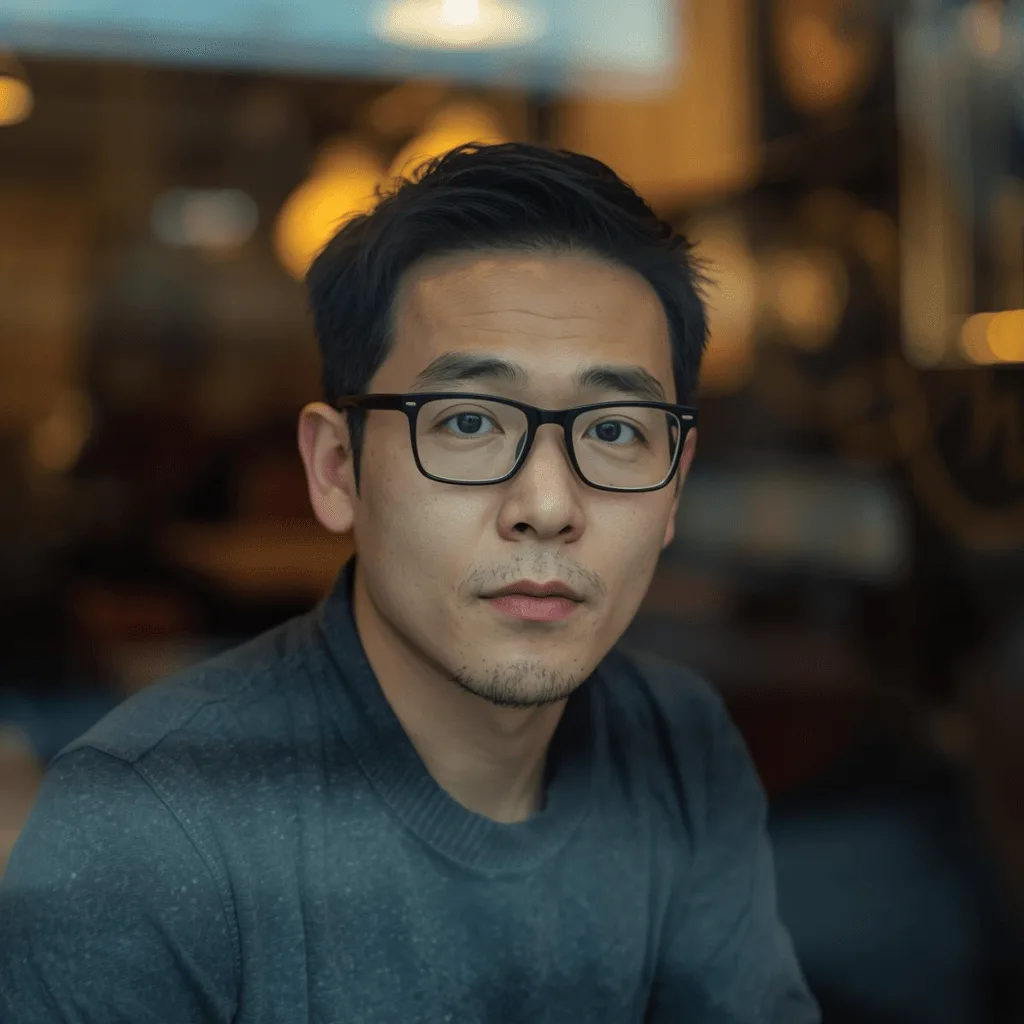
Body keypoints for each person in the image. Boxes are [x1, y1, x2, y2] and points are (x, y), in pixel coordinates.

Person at [0, 143, 819, 1023]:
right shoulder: (150, 822)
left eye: (616, 432)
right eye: (468, 420)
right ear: (336, 468)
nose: (547, 504)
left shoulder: (678, 746)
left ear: (675, 488)